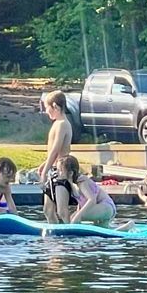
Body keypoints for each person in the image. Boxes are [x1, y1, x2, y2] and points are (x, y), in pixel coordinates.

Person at [37, 90, 77, 221]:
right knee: (48, 210)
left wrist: (45, 172)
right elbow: (52, 152)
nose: (46, 111)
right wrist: (45, 165)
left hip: (61, 172)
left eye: (47, 107)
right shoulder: (57, 123)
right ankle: (54, 236)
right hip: (53, 169)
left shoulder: (63, 124)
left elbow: (56, 149)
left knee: (61, 210)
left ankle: (71, 234)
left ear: (55, 106)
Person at [62, 156, 117, 225]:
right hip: (102, 207)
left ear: (70, 173)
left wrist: (78, 216)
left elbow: (92, 200)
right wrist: (78, 213)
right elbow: (81, 202)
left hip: (106, 207)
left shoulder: (82, 182)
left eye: (60, 171)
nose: (58, 173)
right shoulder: (73, 184)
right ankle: (127, 227)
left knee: (75, 217)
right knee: (104, 233)